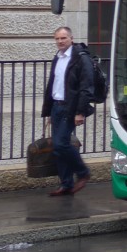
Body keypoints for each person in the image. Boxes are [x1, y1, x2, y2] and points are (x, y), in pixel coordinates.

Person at [39, 26, 94, 197]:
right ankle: (66, 184)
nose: (60, 41)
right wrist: (49, 111)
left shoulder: (80, 58)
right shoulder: (58, 57)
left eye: (63, 38)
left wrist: (81, 112)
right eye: (57, 39)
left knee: (62, 143)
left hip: (70, 108)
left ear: (71, 38)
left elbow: (86, 87)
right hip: (57, 106)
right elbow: (53, 85)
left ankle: (83, 173)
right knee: (58, 147)